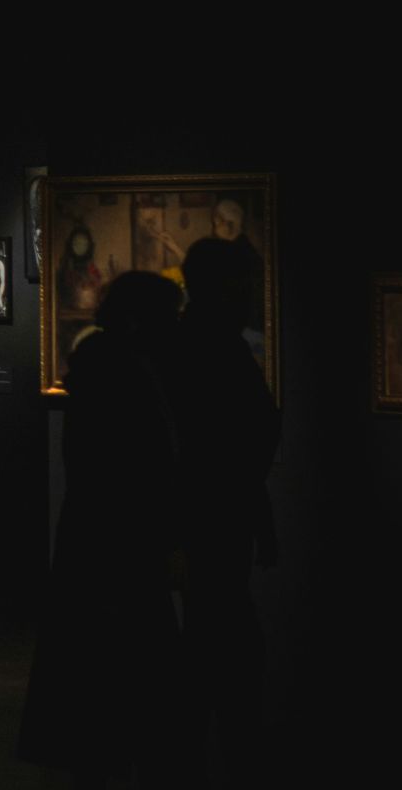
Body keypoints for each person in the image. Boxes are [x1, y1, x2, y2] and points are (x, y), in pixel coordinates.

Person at [20, 271, 192, 784]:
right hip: (116, 554)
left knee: (107, 684)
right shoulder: (120, 376)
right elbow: (122, 475)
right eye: (168, 317)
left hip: (106, 549)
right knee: (121, 678)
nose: (175, 326)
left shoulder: (109, 369)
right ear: (141, 321)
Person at [167, 236, 280, 774]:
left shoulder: (200, 343)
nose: (253, 295)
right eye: (244, 285)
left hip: (214, 519)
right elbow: (231, 446)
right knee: (223, 651)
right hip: (211, 521)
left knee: (213, 646)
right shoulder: (208, 347)